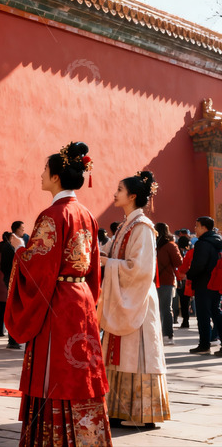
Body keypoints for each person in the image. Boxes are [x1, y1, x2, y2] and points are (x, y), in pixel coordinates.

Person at [5, 142, 110, 445]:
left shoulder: (52, 214)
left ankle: (54, 437)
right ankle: (87, 434)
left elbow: (40, 264)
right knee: (81, 368)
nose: (41, 175)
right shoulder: (87, 214)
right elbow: (94, 267)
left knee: (56, 368)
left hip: (58, 300)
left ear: (55, 176)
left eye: (44, 170)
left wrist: (19, 250)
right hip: (82, 298)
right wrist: (89, 298)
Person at [99, 171, 169, 429]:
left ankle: (144, 413)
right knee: (119, 355)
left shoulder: (142, 228)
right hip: (123, 297)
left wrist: (108, 263)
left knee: (138, 354)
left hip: (137, 299)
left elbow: (140, 269)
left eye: (119, 189)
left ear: (132, 196)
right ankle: (117, 410)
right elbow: (109, 254)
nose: (114, 194)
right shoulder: (125, 226)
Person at [185, 216, 222, 355]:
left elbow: (199, 265)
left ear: (204, 227)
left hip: (204, 283)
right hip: (216, 283)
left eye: (197, 226)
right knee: (216, 312)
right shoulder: (218, 241)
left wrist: (190, 275)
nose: (195, 229)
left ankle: (204, 345)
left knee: (203, 315)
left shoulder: (202, 243)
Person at [154, 222, 182, 345]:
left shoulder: (152, 244)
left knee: (155, 309)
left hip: (151, 280)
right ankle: (167, 335)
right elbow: (178, 262)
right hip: (166, 279)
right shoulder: (170, 245)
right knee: (166, 308)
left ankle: (157, 334)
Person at [175, 236, 193, 328]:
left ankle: (185, 320)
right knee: (188, 301)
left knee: (183, 301)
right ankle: (187, 319)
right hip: (190, 279)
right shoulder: (190, 252)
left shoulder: (178, 252)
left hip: (181, 278)